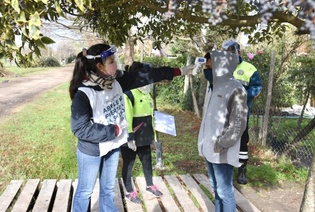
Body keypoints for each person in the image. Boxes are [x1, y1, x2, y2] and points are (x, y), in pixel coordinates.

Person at [69, 43, 197, 212]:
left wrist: (179, 71)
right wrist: (112, 131)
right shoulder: (84, 93)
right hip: (91, 150)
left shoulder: (117, 81)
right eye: (112, 61)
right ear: (100, 66)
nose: (116, 64)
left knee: (108, 189)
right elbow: (79, 128)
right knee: (85, 191)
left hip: (112, 146)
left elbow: (146, 76)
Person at [198, 50, 248, 212]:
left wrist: (222, 143)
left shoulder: (236, 88)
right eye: (206, 66)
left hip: (222, 151)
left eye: (209, 66)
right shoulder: (214, 87)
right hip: (209, 148)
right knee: (215, 187)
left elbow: (238, 124)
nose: (207, 69)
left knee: (224, 191)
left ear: (221, 66)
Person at [222, 39, 263, 184]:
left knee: (242, 141)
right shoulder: (222, 67)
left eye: (233, 52)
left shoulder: (249, 68)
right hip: (223, 113)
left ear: (239, 52)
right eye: (228, 53)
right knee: (225, 139)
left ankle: (242, 170)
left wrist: (243, 96)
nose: (230, 56)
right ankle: (225, 168)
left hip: (242, 112)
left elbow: (257, 88)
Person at [120, 67, 162, 204]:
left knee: (147, 161)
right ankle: (128, 191)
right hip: (130, 137)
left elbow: (150, 114)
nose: (150, 84)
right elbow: (126, 117)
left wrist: (155, 136)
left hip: (145, 136)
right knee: (129, 163)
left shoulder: (147, 94)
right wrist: (130, 137)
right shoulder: (129, 94)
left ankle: (150, 185)